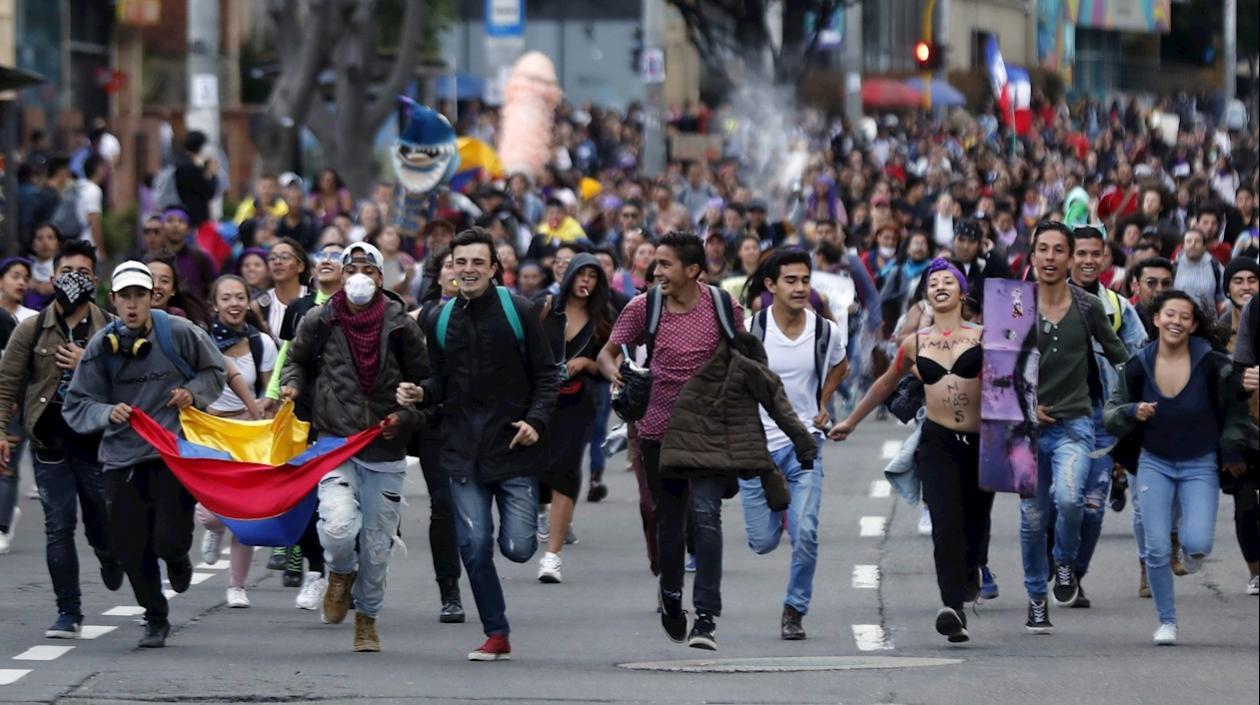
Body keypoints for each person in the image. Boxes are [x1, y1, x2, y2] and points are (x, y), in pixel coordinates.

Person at [597, 231, 815, 651]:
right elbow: (610, 352)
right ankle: (672, 596)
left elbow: (745, 357)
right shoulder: (644, 307)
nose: (656, 271)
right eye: (655, 263)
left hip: (711, 430)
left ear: (692, 270)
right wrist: (619, 377)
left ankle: (707, 618)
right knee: (670, 520)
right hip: (657, 429)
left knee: (707, 517)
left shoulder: (721, 306)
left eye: (665, 264)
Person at [399, 227, 558, 661]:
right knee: (473, 544)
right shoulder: (439, 318)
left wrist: (536, 420)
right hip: (460, 448)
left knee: (519, 548)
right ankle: (496, 632)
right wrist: (422, 393)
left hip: (513, 447)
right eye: (460, 262)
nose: (467, 270)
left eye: (476, 262)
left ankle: (517, 556)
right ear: (450, 269)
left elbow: (548, 374)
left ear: (493, 268)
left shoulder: (518, 311)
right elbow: (438, 378)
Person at [63, 260, 227, 648]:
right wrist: (106, 412)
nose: (133, 305)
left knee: (168, 538)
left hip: (170, 453)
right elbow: (76, 405)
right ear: (113, 300)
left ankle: (177, 558)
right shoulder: (101, 348)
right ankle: (155, 616)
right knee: (129, 546)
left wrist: (192, 393)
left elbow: (215, 372)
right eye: (125, 297)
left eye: (140, 295)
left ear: (153, 296)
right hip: (121, 457)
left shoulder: (179, 333)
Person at [831, 259, 993, 643]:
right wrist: (850, 422)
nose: (939, 286)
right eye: (932, 282)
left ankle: (972, 569)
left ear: (962, 292)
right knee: (945, 524)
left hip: (982, 445)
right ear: (925, 295)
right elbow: (884, 385)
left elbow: (1017, 379)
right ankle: (952, 607)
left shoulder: (987, 336)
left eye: (947, 281)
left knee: (975, 526)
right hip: (936, 443)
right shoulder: (915, 344)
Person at [279, 242, 429, 653]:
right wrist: (291, 385)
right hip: (335, 442)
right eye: (352, 268)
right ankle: (340, 572)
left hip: (385, 449)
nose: (359, 275)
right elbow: (295, 357)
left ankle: (367, 618)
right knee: (338, 527)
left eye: (369, 268)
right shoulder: (320, 318)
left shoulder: (401, 325)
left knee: (378, 547)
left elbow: (427, 387)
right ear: (341, 277)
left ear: (382, 278)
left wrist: (406, 413)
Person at [1104, 291, 1254, 644]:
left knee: (1198, 543)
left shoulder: (1211, 362)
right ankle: (1166, 621)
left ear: (1194, 324)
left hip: (1199, 463)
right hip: (1154, 462)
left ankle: (1190, 552)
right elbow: (1110, 413)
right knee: (1156, 547)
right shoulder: (1138, 364)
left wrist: (1246, 382)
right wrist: (1132, 411)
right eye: (1169, 314)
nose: (1176, 321)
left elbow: (1237, 396)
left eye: (1184, 317)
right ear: (1156, 319)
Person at [0, 240, 125, 635]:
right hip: (49, 442)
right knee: (59, 525)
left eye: (83, 273)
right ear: (53, 278)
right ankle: (68, 611)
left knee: (100, 521)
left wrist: (87, 360)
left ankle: (109, 555)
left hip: (97, 445)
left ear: (96, 279)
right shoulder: (32, 328)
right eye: (67, 272)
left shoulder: (111, 328)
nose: (74, 280)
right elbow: (7, 382)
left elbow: (127, 384)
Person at [1021, 222, 1130, 633]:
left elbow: (1121, 358)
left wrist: (1123, 405)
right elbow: (996, 365)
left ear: (1069, 258)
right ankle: (1036, 599)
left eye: (1058, 250)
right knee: (1031, 518)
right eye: (1042, 250)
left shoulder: (1087, 306)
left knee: (1068, 500)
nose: (1050, 257)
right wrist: (1027, 406)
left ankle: (1064, 562)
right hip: (1026, 433)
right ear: (1032, 257)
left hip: (1075, 427)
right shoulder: (1015, 304)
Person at [740, 249, 847, 640]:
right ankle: (784, 510)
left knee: (806, 532)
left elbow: (841, 363)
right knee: (763, 541)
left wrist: (823, 402)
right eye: (791, 280)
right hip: (756, 450)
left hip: (805, 443)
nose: (800, 288)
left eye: (805, 280)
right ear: (770, 285)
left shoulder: (824, 331)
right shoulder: (751, 331)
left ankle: (794, 608)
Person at [1060, 226, 1148, 608]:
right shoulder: (1043, 300)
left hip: (1101, 416)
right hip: (1056, 414)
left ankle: (1074, 573)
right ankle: (1055, 560)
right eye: (1081, 253)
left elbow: (1138, 355)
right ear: (1068, 257)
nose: (1088, 260)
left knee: (1093, 502)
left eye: (1095, 254)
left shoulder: (1117, 306)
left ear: (1106, 259)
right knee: (1060, 500)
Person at [195, 275, 277, 608]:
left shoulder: (262, 344)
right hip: (211, 433)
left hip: (250, 437)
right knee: (212, 516)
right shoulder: (201, 343)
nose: (234, 304)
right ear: (214, 305)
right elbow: (193, 388)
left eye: (240, 297)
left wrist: (263, 411)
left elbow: (270, 394)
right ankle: (214, 532)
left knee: (245, 512)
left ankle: (236, 586)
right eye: (226, 298)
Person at [535, 253, 612, 584]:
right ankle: (540, 509)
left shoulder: (602, 319)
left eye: (594, 277)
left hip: (578, 402)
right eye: (582, 275)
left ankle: (552, 556)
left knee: (566, 470)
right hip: (539, 401)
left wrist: (587, 365)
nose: (587, 282)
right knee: (537, 470)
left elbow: (610, 365)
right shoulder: (545, 307)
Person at [407, 249, 466, 624]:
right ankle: (450, 590)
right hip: (436, 422)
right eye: (451, 265)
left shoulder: (500, 314)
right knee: (443, 504)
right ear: (440, 275)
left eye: (468, 264)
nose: (459, 272)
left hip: (481, 425)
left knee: (473, 510)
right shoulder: (422, 318)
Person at [1219, 259, 1259, 595]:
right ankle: (1256, 571)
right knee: (1246, 504)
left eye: (1252, 280)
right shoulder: (1218, 330)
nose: (1246, 286)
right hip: (1242, 429)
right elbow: (1222, 390)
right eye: (1238, 280)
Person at [251, 238, 309, 341]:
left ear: (300, 266)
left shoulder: (314, 299)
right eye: (272, 258)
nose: (277, 262)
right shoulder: (259, 306)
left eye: (285, 257)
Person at [158, 207, 218, 303]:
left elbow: (213, 289)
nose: (175, 225)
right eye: (170, 221)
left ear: (188, 229)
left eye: (181, 221)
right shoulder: (155, 259)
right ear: (162, 227)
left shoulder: (201, 257)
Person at [1173, 228, 1224, 316]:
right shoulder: (1174, 266)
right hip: (1180, 317)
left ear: (1204, 246)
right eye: (1189, 241)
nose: (1193, 245)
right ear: (1183, 246)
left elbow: (1222, 296)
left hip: (1209, 319)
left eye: (1197, 241)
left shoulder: (1215, 265)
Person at [173, 130, 218, 228]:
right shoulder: (194, 168)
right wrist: (212, 174)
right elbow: (209, 191)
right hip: (196, 219)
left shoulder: (180, 163)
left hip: (185, 214)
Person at [1129, 257, 1176, 338]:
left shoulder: (1179, 321)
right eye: (1151, 283)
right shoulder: (1127, 320)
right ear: (1136, 287)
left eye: (1166, 283)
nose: (1159, 289)